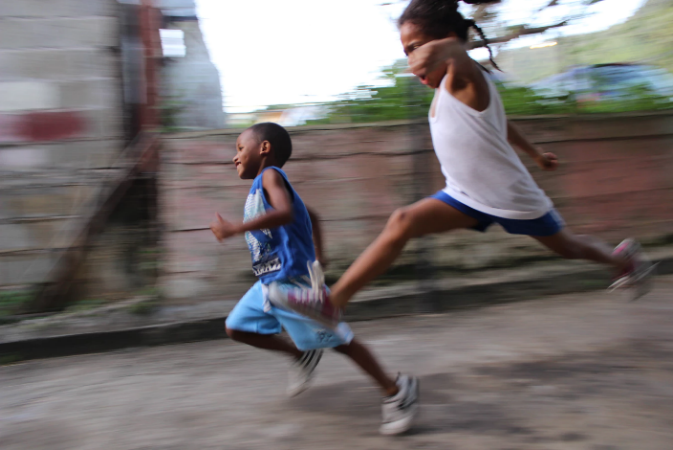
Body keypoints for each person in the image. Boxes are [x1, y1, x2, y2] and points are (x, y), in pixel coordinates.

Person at [267, 0, 655, 325]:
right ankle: (332, 305)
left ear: (445, 43)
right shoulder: (447, 91)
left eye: (416, 47)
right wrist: (535, 152)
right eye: (405, 51)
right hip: (465, 195)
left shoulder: (464, 78)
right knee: (402, 221)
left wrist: (446, 49)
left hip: (510, 197)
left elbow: (455, 53)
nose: (412, 60)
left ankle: (622, 259)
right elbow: (499, 125)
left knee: (568, 247)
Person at [210, 122, 419, 435]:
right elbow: (312, 216)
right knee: (236, 327)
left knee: (340, 341)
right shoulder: (262, 188)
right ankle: (301, 355)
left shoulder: (270, 176)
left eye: (240, 148)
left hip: (291, 282)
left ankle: (396, 391)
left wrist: (235, 229)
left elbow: (287, 213)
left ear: (264, 149)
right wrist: (321, 257)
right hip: (268, 283)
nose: (235, 157)